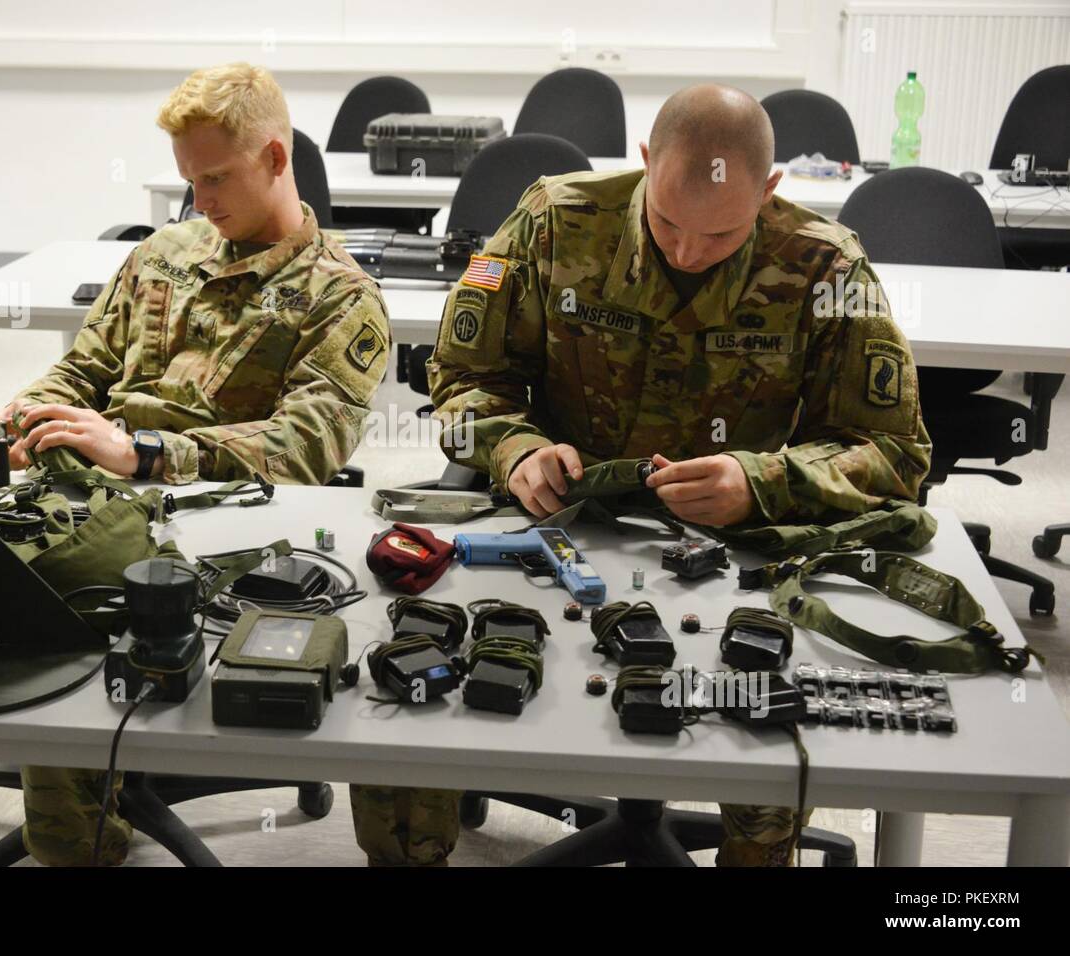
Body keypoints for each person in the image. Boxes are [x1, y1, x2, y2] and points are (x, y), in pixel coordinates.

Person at [0, 62, 390, 868]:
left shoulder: (341, 297)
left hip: (213, 518)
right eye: (188, 181)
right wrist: (33, 415)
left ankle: (78, 842)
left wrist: (141, 451)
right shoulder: (165, 254)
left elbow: (307, 450)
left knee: (44, 621)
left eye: (216, 178)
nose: (200, 202)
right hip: (81, 492)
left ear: (276, 159)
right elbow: (81, 369)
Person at [360, 83, 931, 867]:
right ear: (643, 164)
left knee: (765, 722)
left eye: (721, 234)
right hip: (555, 527)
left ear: (768, 193)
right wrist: (514, 448)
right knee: (408, 680)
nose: (687, 252)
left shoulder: (824, 264)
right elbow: (460, 377)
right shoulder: (556, 219)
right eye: (666, 223)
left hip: (732, 549)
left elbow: (895, 453)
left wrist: (760, 478)